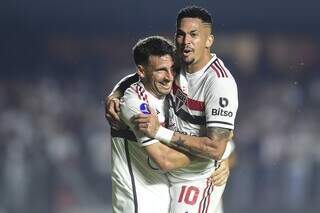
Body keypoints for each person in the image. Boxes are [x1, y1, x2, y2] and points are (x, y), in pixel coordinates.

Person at [107, 6, 238, 213]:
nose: (186, 41)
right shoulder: (177, 61)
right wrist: (116, 92)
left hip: (196, 178)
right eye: (181, 34)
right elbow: (144, 73)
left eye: (194, 35)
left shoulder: (218, 83)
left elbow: (217, 147)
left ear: (209, 40)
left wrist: (218, 158)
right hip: (166, 175)